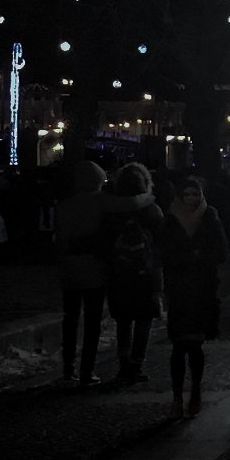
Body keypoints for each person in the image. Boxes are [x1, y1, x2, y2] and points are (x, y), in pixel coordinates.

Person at [54, 161, 156, 390]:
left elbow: (59, 240)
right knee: (92, 322)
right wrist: (150, 194)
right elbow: (133, 203)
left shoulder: (64, 205)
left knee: (69, 319)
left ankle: (68, 367)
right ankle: (87, 370)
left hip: (69, 268)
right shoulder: (101, 202)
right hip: (94, 267)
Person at [161, 176, 228, 419]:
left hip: (202, 290)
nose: (191, 199)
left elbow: (221, 251)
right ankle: (178, 395)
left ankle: (196, 392)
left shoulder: (210, 216)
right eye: (186, 194)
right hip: (179, 290)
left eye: (194, 194)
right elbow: (164, 252)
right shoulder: (170, 219)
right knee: (179, 346)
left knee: (195, 344)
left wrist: (199, 257)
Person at [104, 162, 165, 385]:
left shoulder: (111, 211)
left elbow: (103, 243)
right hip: (145, 274)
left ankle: (123, 364)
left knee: (123, 321)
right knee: (143, 320)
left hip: (119, 273)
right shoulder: (151, 210)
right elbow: (161, 243)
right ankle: (137, 364)